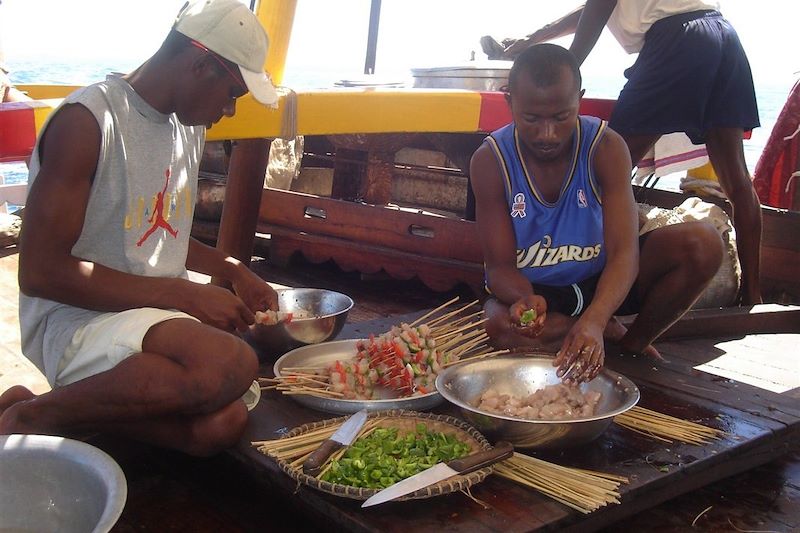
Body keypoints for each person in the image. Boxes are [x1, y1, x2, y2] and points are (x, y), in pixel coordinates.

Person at [0, 0, 282, 456]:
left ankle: (41, 407)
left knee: (222, 423)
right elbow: (39, 273)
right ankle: (30, 419)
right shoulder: (89, 122)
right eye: (232, 94)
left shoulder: (186, 126)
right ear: (200, 64)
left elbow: (153, 229)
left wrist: (231, 270)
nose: (229, 111)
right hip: (78, 321)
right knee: (229, 361)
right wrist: (187, 295)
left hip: (148, 317)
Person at [471, 44, 724, 382]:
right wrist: (523, 299)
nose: (547, 134)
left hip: (601, 282)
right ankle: (597, 336)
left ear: (580, 99)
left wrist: (597, 315)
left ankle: (629, 346)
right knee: (498, 325)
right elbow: (499, 267)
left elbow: (623, 253)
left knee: (704, 243)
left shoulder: (606, 147)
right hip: (540, 293)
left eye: (561, 117)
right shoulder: (490, 161)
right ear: (509, 101)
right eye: (531, 118)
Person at [496, 0, 763, 306]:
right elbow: (593, 8)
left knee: (604, 166)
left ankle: (578, 286)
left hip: (678, 41)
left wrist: (564, 76)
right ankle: (753, 295)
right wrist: (534, 39)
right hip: (724, 35)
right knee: (738, 180)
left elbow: (598, 9)